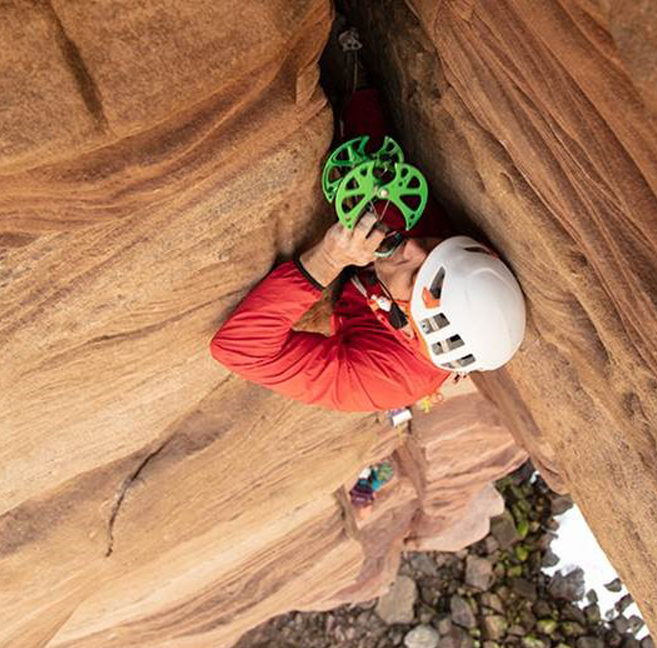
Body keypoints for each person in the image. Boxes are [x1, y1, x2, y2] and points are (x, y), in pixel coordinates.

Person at [209, 88, 526, 413]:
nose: (413, 246)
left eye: (416, 275)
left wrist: (326, 261)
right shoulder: (445, 256)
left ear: (407, 323)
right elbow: (374, 158)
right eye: (435, 248)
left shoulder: (384, 379)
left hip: (358, 320)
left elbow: (240, 350)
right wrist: (359, 91)